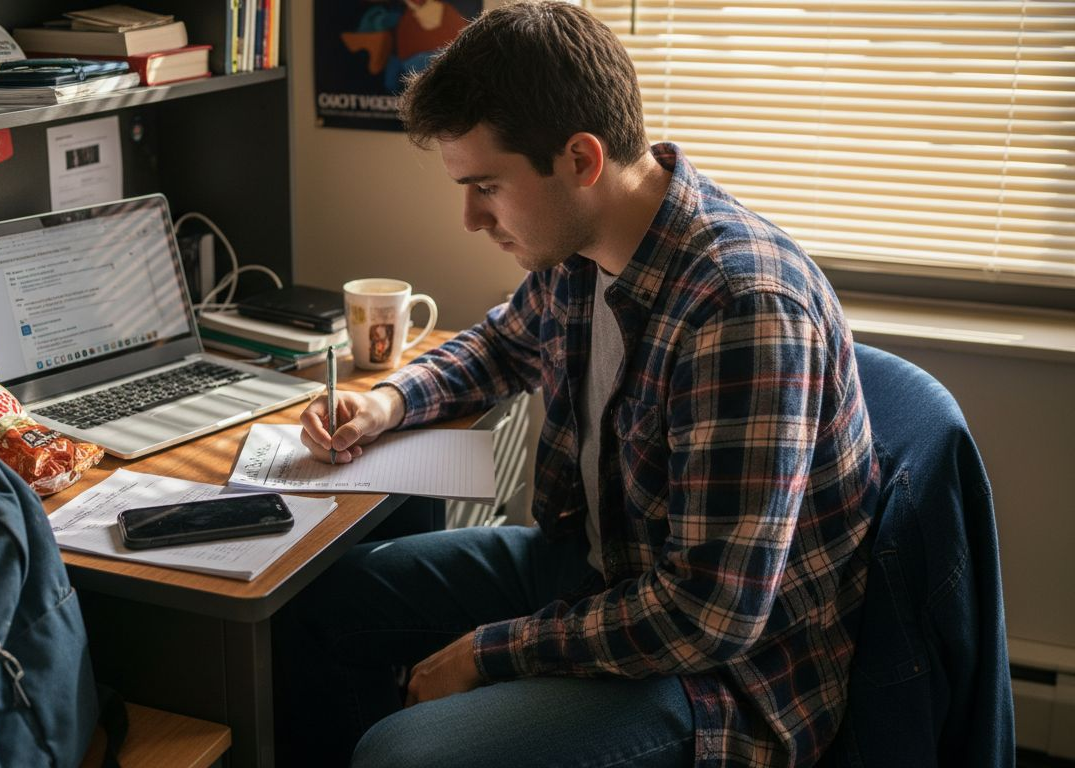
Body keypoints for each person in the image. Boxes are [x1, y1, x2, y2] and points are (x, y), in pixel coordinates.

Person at [275, 2, 879, 766]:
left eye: (487, 186)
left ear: (581, 160)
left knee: (406, 753)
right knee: (321, 608)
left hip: (725, 679)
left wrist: (486, 654)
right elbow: (500, 346)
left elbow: (707, 617)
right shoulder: (581, 244)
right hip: (600, 572)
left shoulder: (741, 309)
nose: (468, 218)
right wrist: (386, 401)